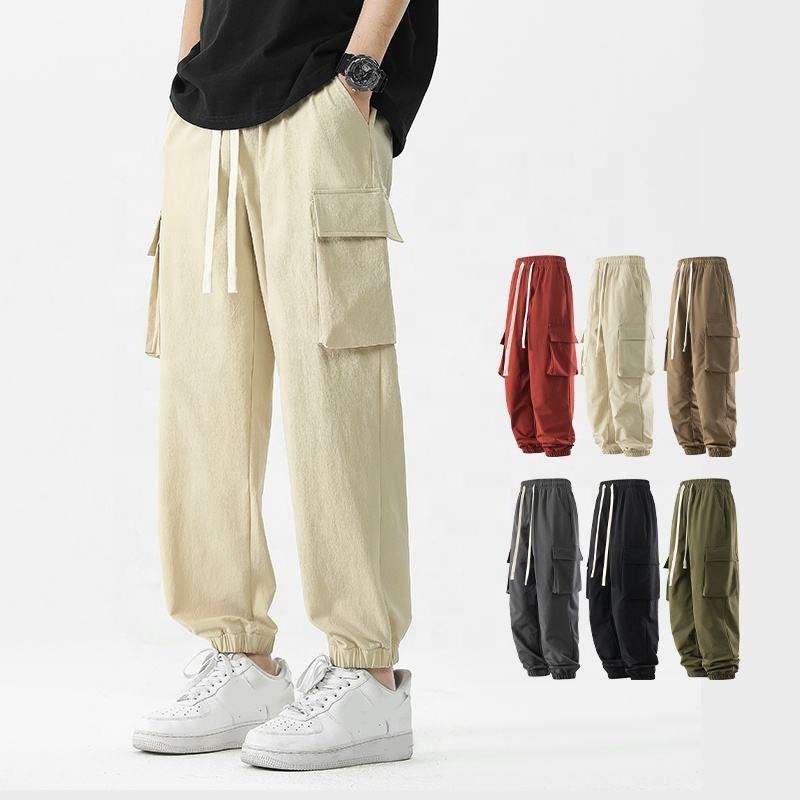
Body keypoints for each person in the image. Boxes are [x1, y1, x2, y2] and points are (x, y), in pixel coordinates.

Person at [133, 0, 437, 771]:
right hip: (207, 113)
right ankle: (240, 657)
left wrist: (359, 75)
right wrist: (191, 62)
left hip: (321, 95)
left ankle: (368, 672)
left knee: (339, 396)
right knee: (203, 398)